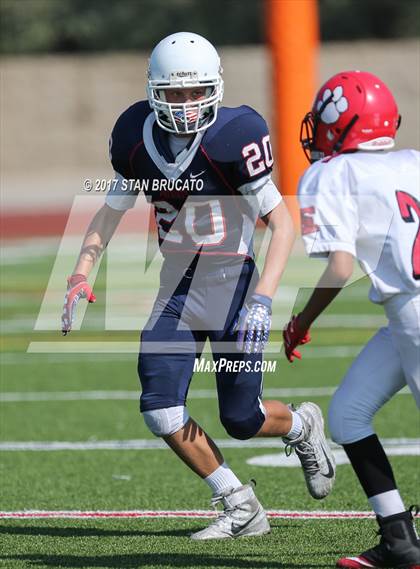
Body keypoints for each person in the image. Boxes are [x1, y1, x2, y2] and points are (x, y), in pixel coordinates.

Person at [62, 32, 335, 540]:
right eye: (174, 93)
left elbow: (283, 223)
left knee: (242, 418)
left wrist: (263, 299)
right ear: (153, 91)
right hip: (176, 289)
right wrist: (81, 271)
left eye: (196, 93)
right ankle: (239, 502)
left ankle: (301, 427)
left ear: (214, 89)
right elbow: (109, 209)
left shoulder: (236, 134)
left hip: (233, 288)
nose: (186, 106)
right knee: (161, 408)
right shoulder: (132, 137)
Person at [283, 70, 420, 568]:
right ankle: (399, 540)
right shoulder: (413, 162)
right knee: (346, 414)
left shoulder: (332, 173)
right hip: (405, 315)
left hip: (415, 313)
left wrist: (301, 320)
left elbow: (340, 266)